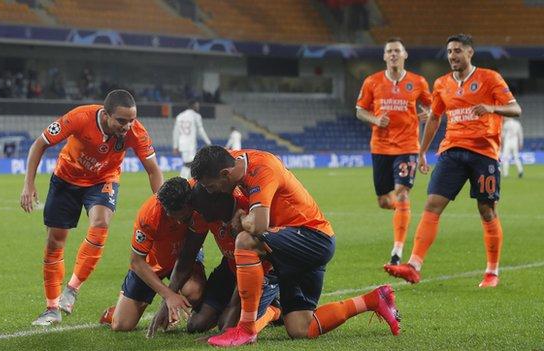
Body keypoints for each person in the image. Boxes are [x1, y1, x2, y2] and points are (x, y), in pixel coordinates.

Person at [191, 146, 400, 347]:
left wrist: (242, 219)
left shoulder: (261, 169)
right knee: (300, 328)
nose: (210, 192)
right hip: (291, 246)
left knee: (246, 241)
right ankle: (374, 299)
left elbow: (259, 224)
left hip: (312, 238)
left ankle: (245, 330)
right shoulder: (229, 161)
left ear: (226, 174)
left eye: (210, 187)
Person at [384, 34, 522, 288]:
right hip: (452, 151)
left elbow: (515, 109)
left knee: (487, 210)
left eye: (458, 50)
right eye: (449, 52)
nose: (453, 56)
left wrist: (492, 108)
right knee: (432, 204)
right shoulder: (441, 84)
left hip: (484, 153)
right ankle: (414, 266)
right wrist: (422, 150)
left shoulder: (490, 78)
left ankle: (492, 272)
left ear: (470, 53)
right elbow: (435, 118)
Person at [20, 89, 164, 326]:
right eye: (121, 120)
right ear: (106, 115)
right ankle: (52, 308)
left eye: (132, 120)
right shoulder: (80, 117)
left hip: (103, 180)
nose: (128, 126)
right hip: (66, 180)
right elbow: (39, 144)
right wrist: (29, 184)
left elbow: (153, 170)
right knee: (55, 241)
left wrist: (162, 206)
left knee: (100, 222)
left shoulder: (135, 132)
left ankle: (72, 290)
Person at [146, 184, 281, 337]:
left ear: (215, 203)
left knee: (231, 324)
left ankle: (275, 309)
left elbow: (247, 272)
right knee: (196, 324)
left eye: (200, 209)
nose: (197, 214)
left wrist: (224, 331)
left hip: (260, 271)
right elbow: (187, 257)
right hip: (231, 266)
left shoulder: (244, 217)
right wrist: (167, 300)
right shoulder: (205, 214)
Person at [356, 38, 432, 265]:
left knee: (401, 192)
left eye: (397, 51)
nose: (393, 54)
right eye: (389, 51)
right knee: (383, 200)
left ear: (405, 54)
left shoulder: (418, 82)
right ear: (384, 56)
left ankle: (397, 252)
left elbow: (432, 106)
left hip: (408, 146)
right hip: (380, 146)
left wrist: (426, 115)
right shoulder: (372, 81)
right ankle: (403, 213)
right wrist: (376, 119)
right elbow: (360, 110)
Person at [98, 177, 209, 331]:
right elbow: (137, 262)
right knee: (121, 325)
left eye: (183, 217)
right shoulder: (149, 215)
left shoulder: (198, 199)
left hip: (184, 255)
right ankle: (114, 313)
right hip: (154, 262)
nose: (178, 222)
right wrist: (168, 295)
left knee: (194, 292)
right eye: (172, 216)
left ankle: (174, 311)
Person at [172, 99, 211, 179]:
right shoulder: (196, 116)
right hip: (190, 143)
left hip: (182, 143)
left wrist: (175, 146)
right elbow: (201, 130)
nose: (198, 107)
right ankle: (182, 181)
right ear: (193, 106)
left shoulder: (180, 116)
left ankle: (188, 182)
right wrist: (208, 142)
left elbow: (175, 132)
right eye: (197, 105)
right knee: (188, 163)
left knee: (190, 163)